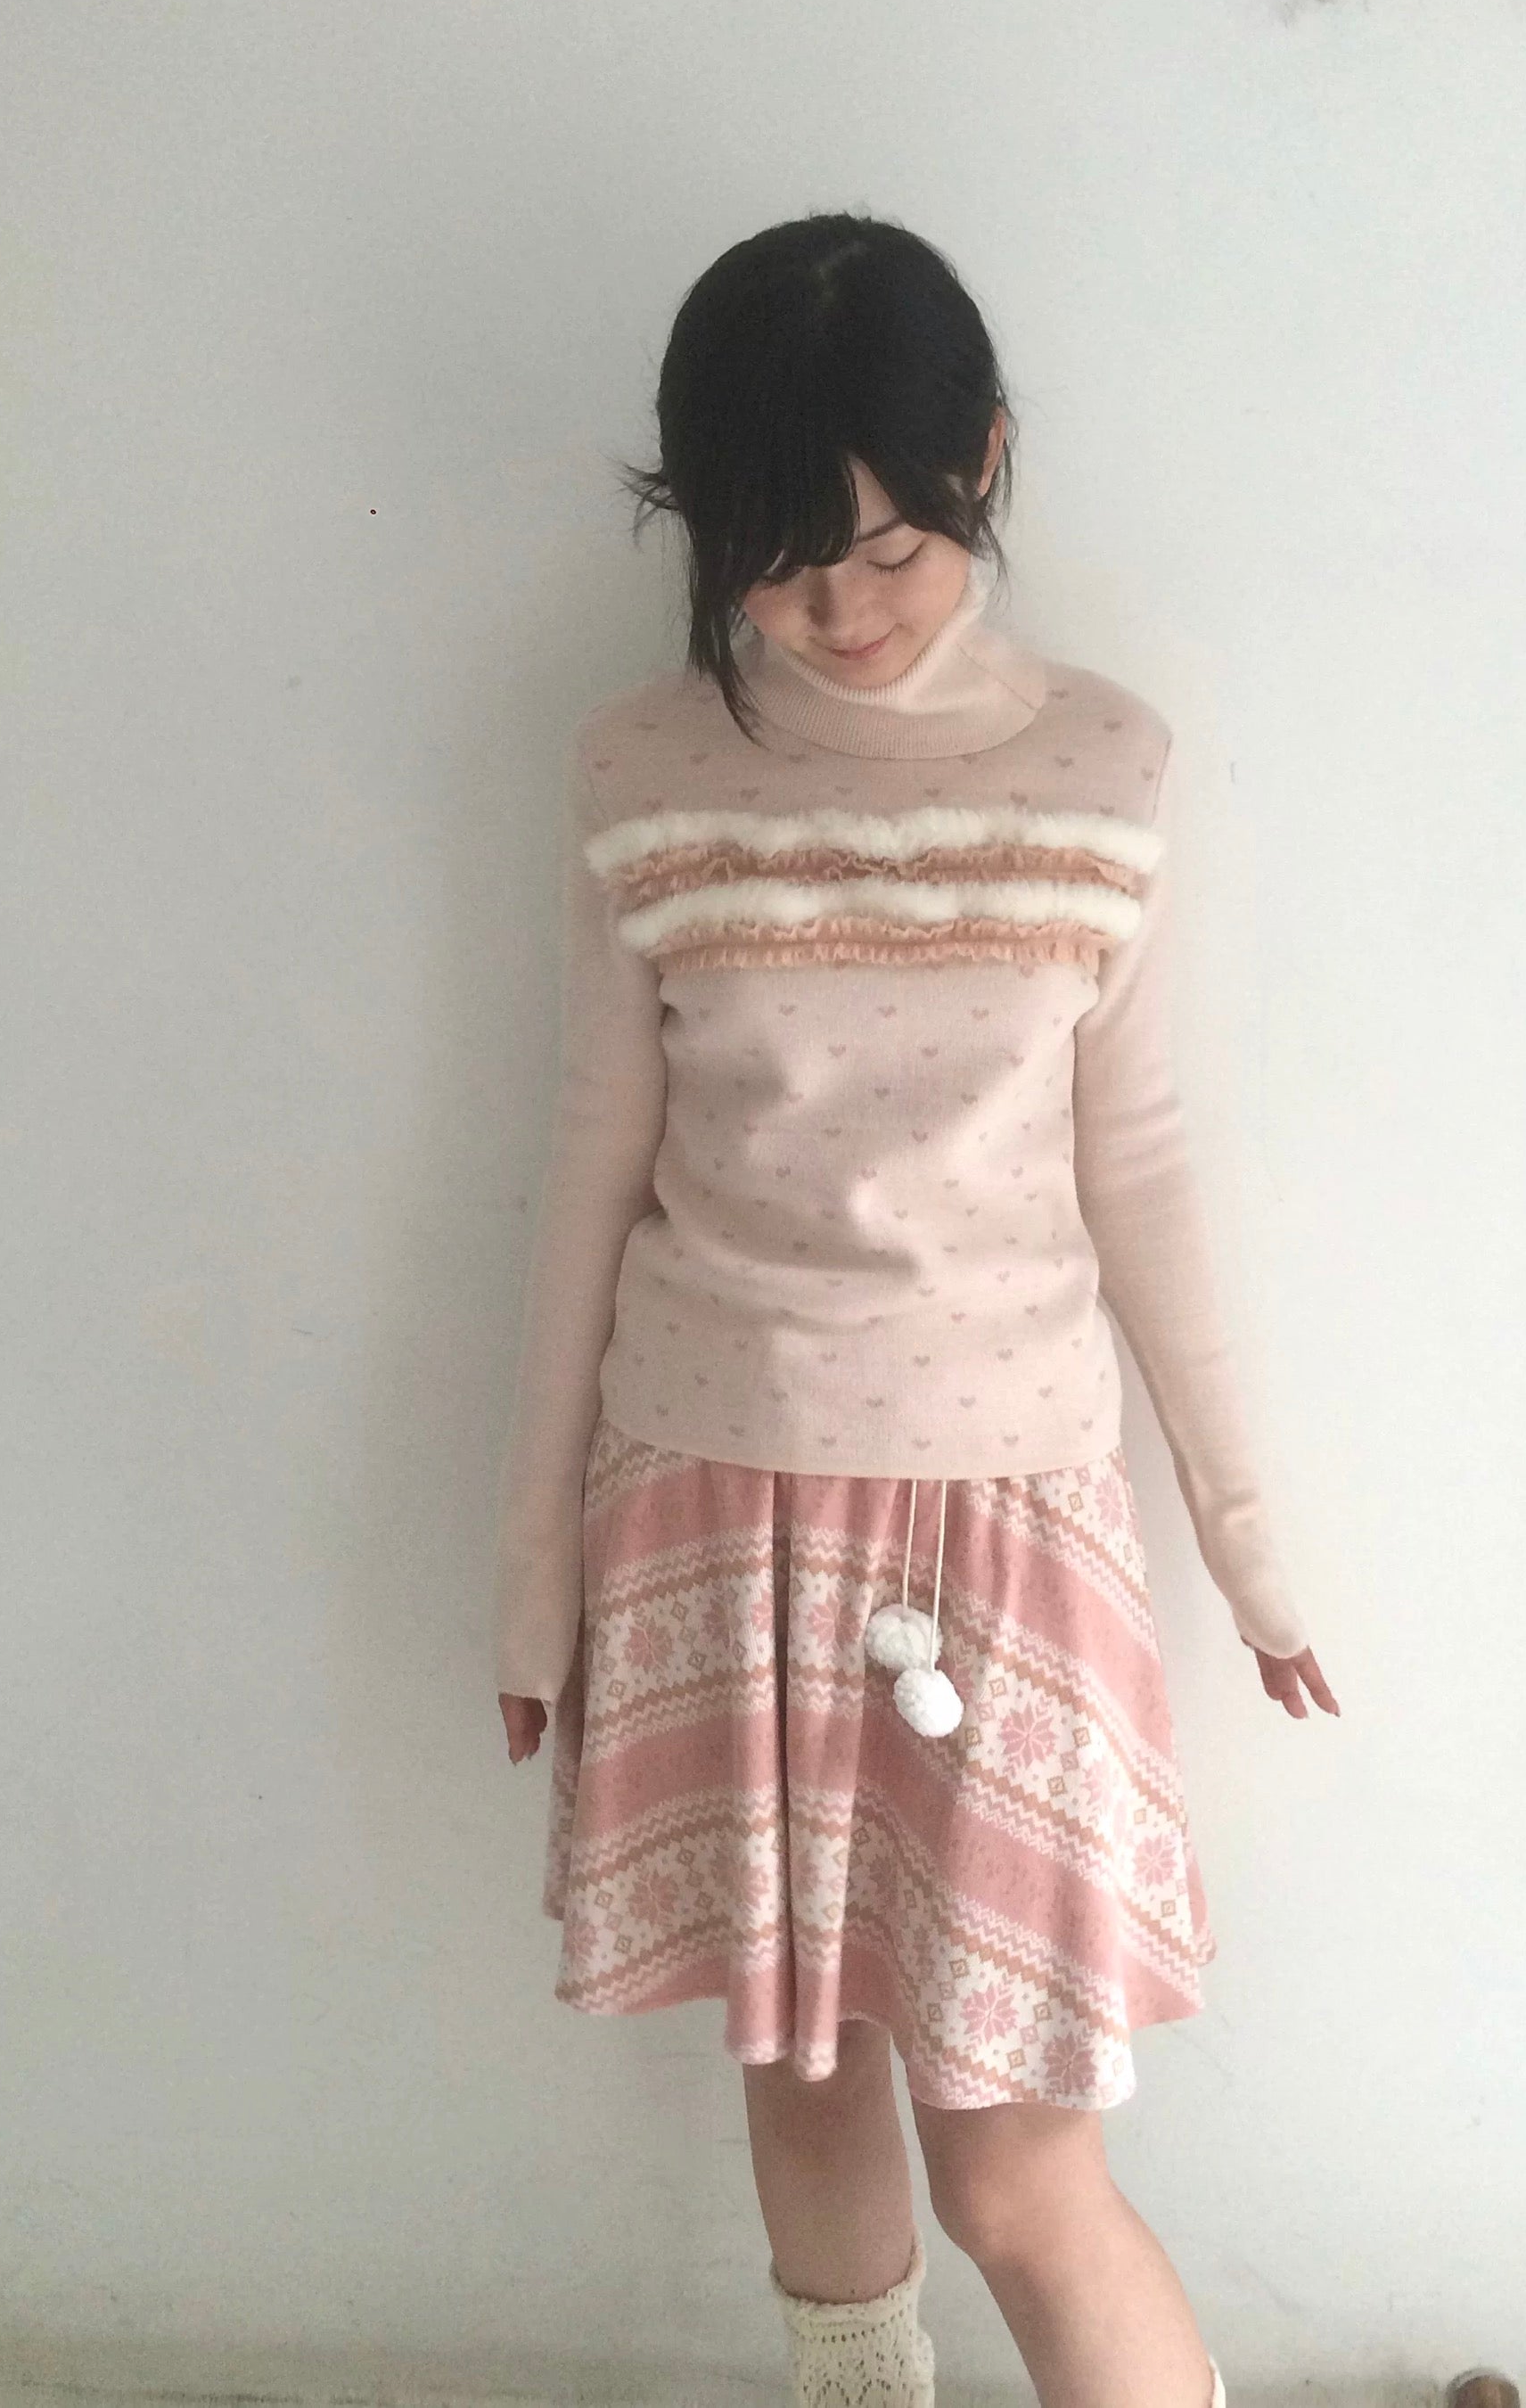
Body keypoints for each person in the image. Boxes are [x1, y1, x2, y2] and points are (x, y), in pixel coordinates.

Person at [492, 210, 1339, 2408]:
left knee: (1018, 2160)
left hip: (1002, 1519)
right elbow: (590, 1157)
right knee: (797, 2064)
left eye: (889, 547)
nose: (845, 611)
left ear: (985, 459)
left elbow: (1139, 1160)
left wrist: (1249, 1539)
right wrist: (531, 1568)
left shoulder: (1104, 769)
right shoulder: (643, 770)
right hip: (705, 1495)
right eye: (782, 566)